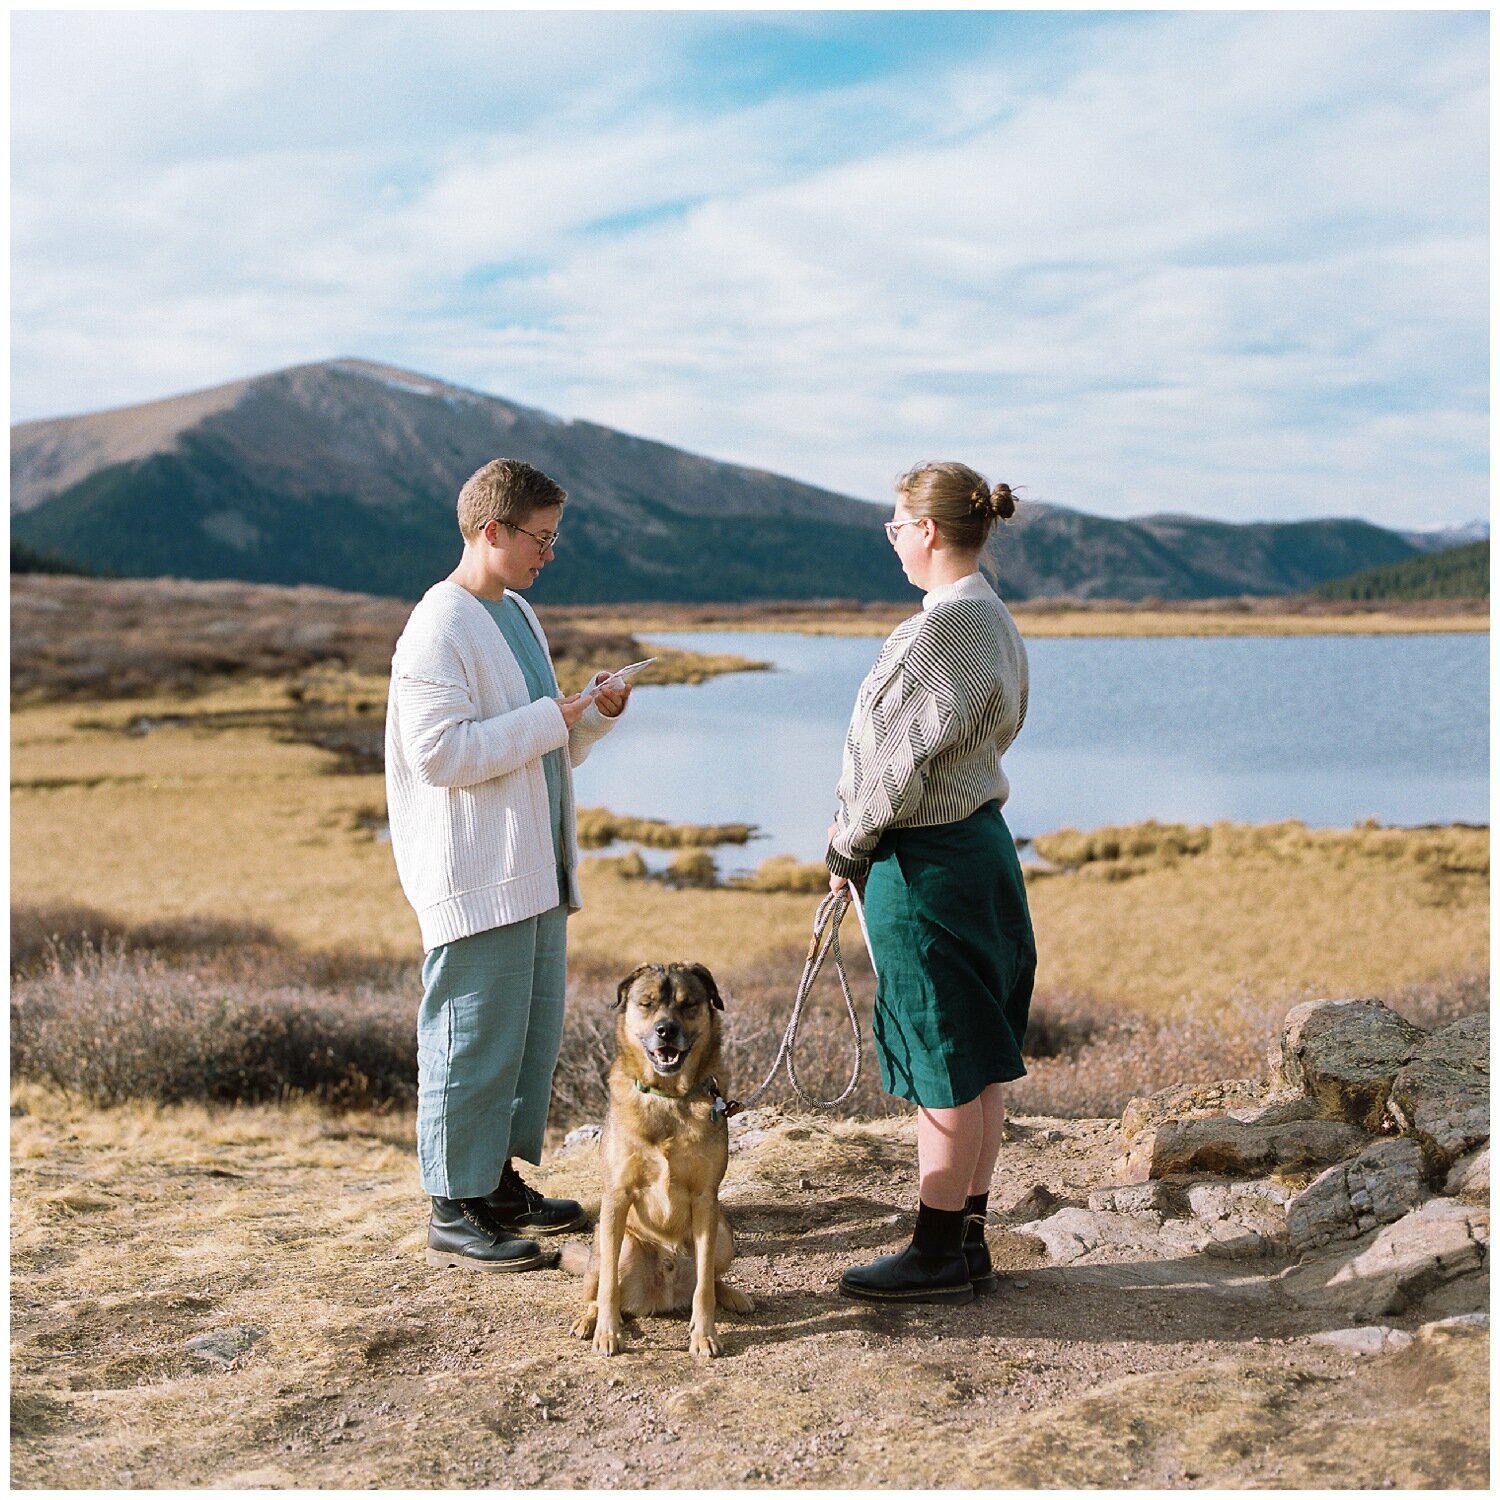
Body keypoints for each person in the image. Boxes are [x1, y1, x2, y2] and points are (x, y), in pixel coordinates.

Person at [385, 457, 633, 1272]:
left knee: (522, 1036)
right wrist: (547, 719)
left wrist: (588, 717)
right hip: (476, 873)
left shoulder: (517, 612)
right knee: (467, 1037)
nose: (548, 554)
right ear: (492, 531)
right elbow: (438, 755)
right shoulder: (437, 625)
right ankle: (452, 1212)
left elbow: (541, 739)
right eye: (539, 537)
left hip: (533, 868)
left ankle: (493, 1183)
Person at [826, 460, 1034, 1305]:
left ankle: (935, 1250)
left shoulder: (940, 631)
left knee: (942, 1057)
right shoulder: (992, 617)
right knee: (977, 1054)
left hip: (927, 863)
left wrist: (846, 849)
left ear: (930, 531)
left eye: (895, 526)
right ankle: (968, 1239)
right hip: (979, 849)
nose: (892, 540)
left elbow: (889, 766)